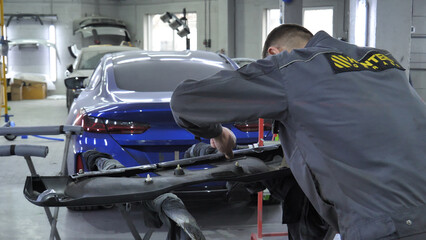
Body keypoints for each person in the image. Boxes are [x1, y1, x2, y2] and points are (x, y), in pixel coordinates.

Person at [170, 24, 426, 239]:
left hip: (388, 227)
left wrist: (220, 134)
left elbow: (184, 102)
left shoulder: (290, 67)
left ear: (272, 53)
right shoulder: (386, 61)